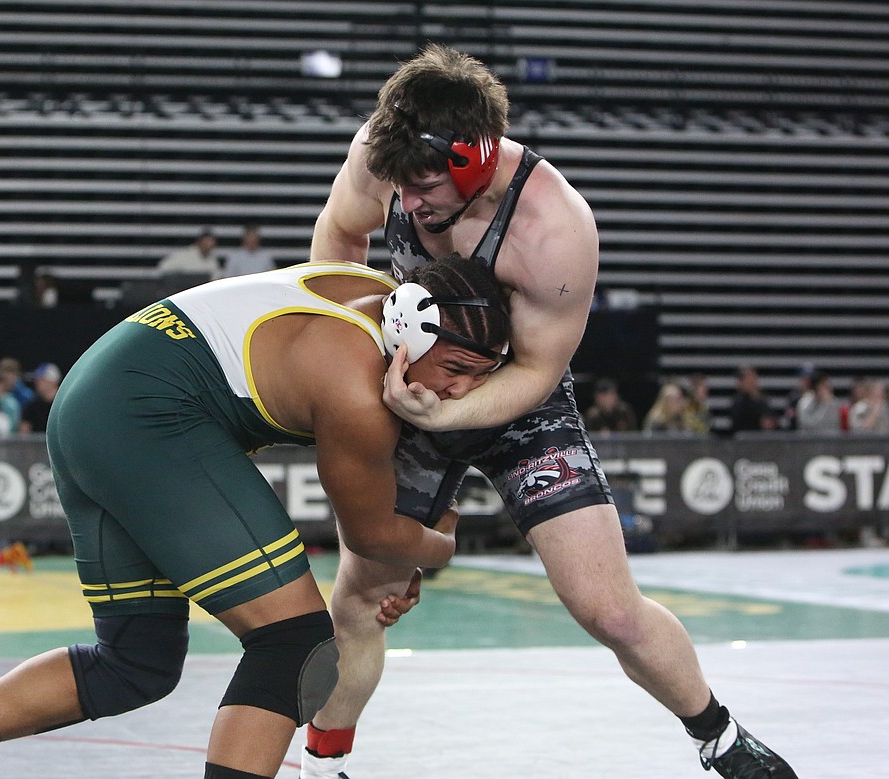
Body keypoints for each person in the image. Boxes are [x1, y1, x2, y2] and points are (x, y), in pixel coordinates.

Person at [301, 44, 797, 779]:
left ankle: (718, 734)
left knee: (609, 609)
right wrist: (370, 352)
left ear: (472, 159)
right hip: (411, 385)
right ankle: (320, 765)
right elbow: (338, 241)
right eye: (398, 186)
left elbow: (537, 370)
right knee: (359, 598)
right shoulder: (385, 153)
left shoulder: (554, 227)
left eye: (425, 186)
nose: (408, 205)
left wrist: (443, 417)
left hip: (516, 399)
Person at [0, 255, 512, 779]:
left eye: (477, 378)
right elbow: (370, 533)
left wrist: (402, 552)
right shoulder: (353, 384)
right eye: (455, 369)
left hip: (94, 398)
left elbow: (378, 533)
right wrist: (438, 542)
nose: (458, 392)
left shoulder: (371, 288)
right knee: (294, 643)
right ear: (408, 329)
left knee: (135, 662)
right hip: (149, 415)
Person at [157, 226, 222, 281]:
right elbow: (164, 267)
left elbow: (215, 278)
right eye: (207, 241)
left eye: (212, 242)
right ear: (199, 241)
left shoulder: (212, 260)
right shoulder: (184, 255)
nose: (209, 244)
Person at [730, 365, 776, 435]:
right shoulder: (738, 401)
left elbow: (770, 416)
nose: (751, 381)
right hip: (745, 438)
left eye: (753, 378)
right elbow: (738, 423)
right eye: (748, 379)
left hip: (762, 437)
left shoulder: (763, 397)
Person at [18, 362, 62, 434]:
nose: (37, 383)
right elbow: (24, 431)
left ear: (52, 381)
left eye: (41, 380)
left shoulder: (63, 404)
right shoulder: (32, 405)